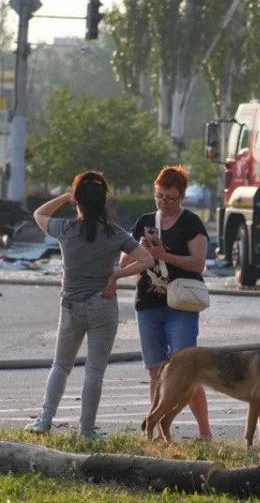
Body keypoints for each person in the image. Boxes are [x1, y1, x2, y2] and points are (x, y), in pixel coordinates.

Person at [26, 171, 153, 438]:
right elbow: (147, 260)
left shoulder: (65, 229)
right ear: (104, 202)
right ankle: (86, 430)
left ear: (78, 201)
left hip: (71, 305)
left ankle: (45, 419)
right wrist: (116, 275)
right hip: (103, 305)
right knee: (95, 371)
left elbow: (38, 214)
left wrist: (66, 196)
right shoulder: (115, 234)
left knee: (61, 365)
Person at [130, 165, 213, 441]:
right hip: (148, 303)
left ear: (182, 197)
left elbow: (198, 263)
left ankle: (205, 433)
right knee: (155, 369)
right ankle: (153, 434)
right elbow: (124, 261)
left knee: (187, 369)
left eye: (170, 198)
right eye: (159, 197)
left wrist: (164, 255)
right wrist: (143, 250)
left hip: (182, 304)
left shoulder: (191, 223)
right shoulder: (145, 221)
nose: (164, 203)